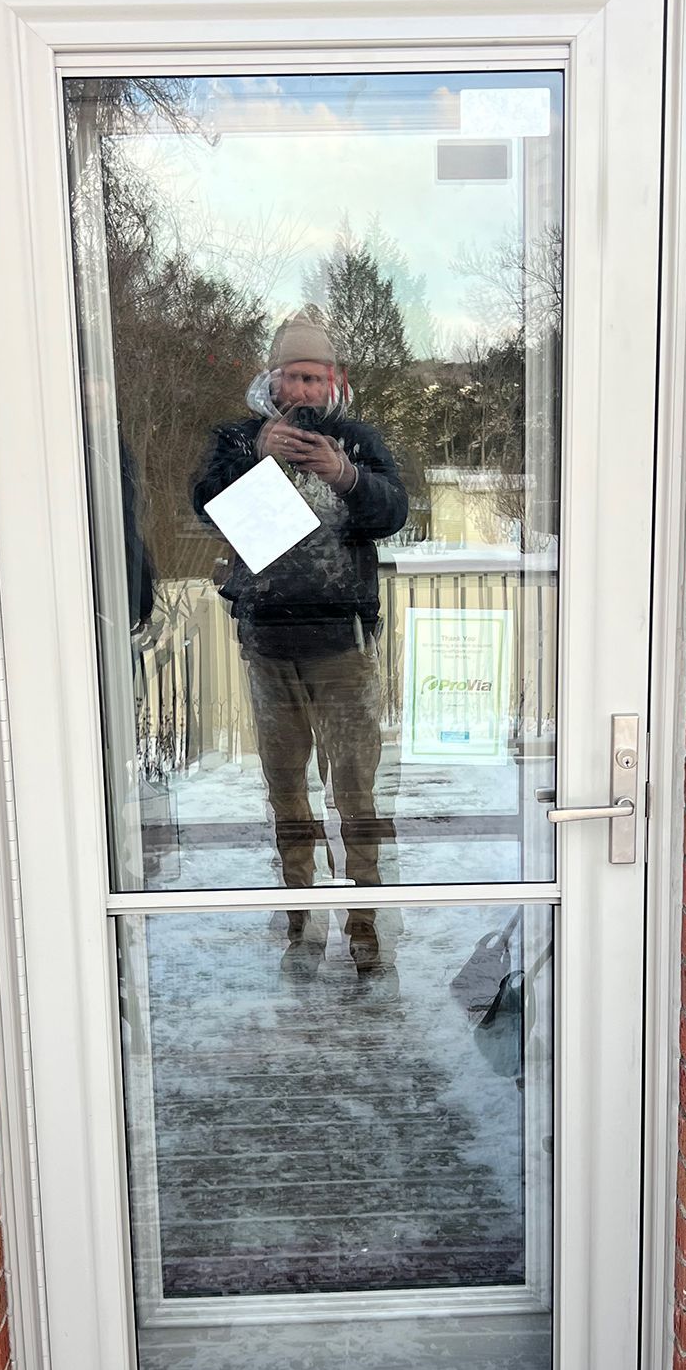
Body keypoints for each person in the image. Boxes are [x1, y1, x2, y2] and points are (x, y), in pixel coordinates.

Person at [193, 309, 408, 978]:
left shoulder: (357, 439)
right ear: (274, 377)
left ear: (333, 379)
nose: (304, 390)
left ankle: (364, 927)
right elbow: (202, 501)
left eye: (315, 377)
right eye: (293, 376)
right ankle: (298, 920)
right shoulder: (239, 436)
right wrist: (256, 456)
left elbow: (394, 512)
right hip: (266, 645)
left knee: (355, 794)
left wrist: (347, 477)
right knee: (285, 790)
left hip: (342, 645)